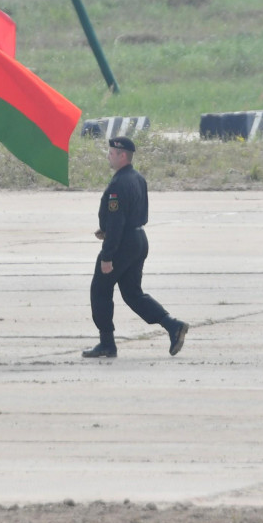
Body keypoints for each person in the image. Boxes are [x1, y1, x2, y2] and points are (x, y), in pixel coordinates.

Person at [83, 136, 188, 359]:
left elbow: (117, 219)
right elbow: (131, 215)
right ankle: (172, 325)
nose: (108, 156)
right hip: (139, 240)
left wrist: (108, 255)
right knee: (133, 293)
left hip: (122, 244)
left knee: (100, 290)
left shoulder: (118, 184)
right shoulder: (137, 178)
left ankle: (107, 344)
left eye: (111, 153)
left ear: (122, 156)